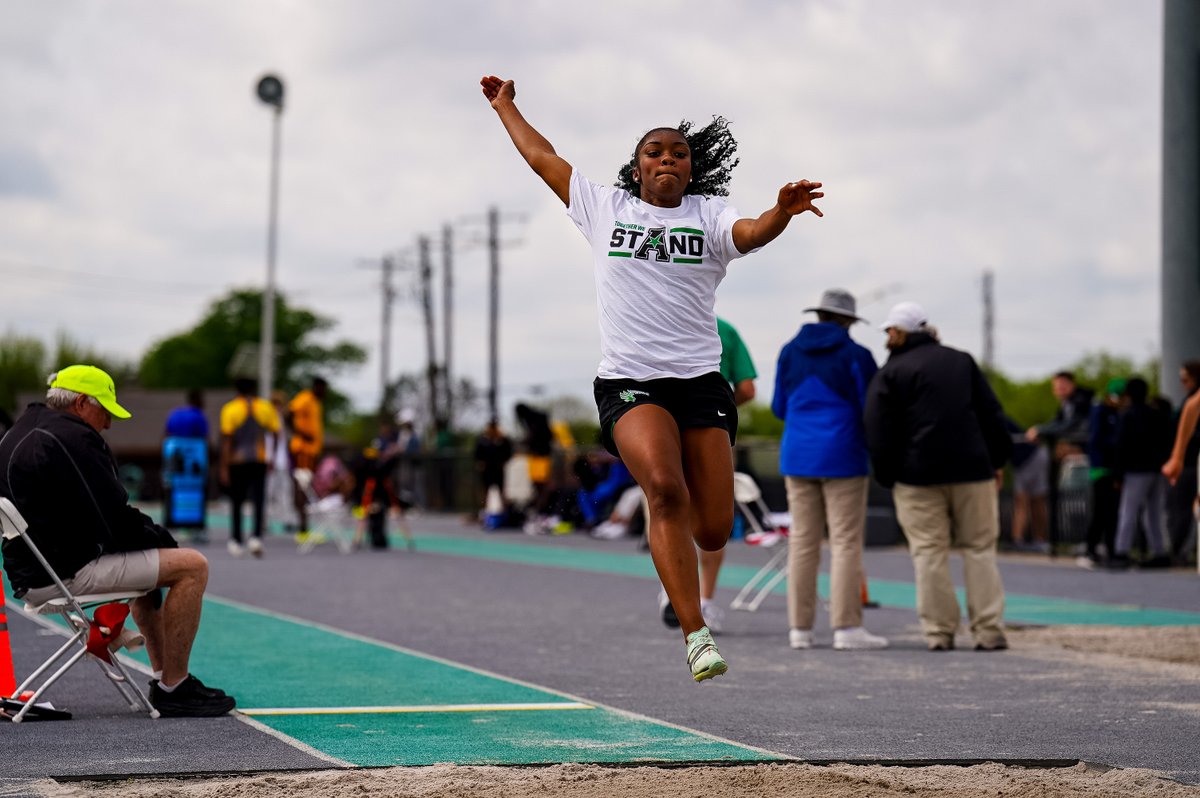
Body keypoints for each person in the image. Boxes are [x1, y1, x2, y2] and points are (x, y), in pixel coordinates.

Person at [482, 73, 825, 681]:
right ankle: (696, 631)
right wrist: (507, 107)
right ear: (637, 168)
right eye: (653, 153)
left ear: (691, 169)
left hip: (699, 383)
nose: (666, 159)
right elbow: (542, 158)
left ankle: (683, 555)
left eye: (678, 154)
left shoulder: (711, 214)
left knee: (715, 529)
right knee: (664, 488)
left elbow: (750, 234)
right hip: (630, 382)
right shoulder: (603, 207)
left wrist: (782, 211)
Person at [0, 365, 235, 716]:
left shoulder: (19, 431)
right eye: (105, 412)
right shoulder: (72, 438)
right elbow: (116, 518)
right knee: (191, 566)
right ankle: (175, 685)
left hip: (30, 572)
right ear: (81, 402)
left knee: (149, 560)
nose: (109, 423)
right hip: (63, 573)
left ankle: (165, 680)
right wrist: (167, 544)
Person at [864, 303, 1012, 652]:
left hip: (916, 477)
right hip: (972, 470)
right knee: (979, 549)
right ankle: (989, 630)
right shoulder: (961, 361)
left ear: (901, 333)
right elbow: (991, 414)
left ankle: (939, 632)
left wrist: (887, 474)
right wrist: (997, 461)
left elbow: (877, 428)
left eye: (889, 331)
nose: (887, 337)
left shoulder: (891, 372)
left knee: (929, 552)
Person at [772, 288, 887, 651]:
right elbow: (870, 408)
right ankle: (846, 628)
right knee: (845, 542)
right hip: (843, 454)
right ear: (848, 321)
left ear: (819, 316)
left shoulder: (789, 351)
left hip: (797, 455)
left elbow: (779, 406)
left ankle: (799, 630)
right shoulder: (857, 354)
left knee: (803, 543)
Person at [1109, 377, 1172, 569]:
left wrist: (1117, 474)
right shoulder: (1157, 415)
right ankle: (1159, 551)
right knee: (1154, 512)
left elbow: (1121, 446)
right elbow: (1167, 440)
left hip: (1136, 470)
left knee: (1128, 511)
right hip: (1157, 469)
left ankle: (1122, 551)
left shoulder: (1128, 416)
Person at [218, 376, 280, 558]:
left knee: (237, 501)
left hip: (237, 461)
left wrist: (223, 466)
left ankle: (236, 540)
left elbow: (227, 440)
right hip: (259, 459)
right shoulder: (265, 407)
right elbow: (276, 433)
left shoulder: (230, 409)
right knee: (259, 500)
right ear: (254, 388)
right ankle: (256, 538)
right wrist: (273, 456)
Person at [1078, 379, 1125, 568]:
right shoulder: (1101, 412)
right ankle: (1091, 549)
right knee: (1102, 511)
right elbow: (1097, 441)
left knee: (1111, 512)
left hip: (1111, 469)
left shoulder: (1115, 414)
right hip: (1102, 470)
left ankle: (1107, 548)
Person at [1163, 361, 1200, 564]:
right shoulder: (1192, 399)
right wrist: (1177, 456)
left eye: (1185, 379)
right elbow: (1193, 406)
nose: (1182, 383)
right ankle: (1179, 549)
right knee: (1182, 507)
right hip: (1192, 461)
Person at [162, 389, 210, 544]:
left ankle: (172, 525)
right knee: (197, 492)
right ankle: (196, 527)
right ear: (198, 401)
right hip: (194, 460)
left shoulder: (174, 414)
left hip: (175, 459)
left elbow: (166, 434)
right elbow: (205, 438)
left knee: (173, 490)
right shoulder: (199, 416)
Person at [288, 377, 329, 537]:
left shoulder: (316, 403)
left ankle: (305, 527)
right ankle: (303, 528)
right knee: (302, 485)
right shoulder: (304, 398)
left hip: (311, 452)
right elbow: (289, 413)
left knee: (308, 487)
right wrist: (302, 433)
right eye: (323, 389)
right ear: (317, 387)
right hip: (302, 451)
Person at [474, 418, 514, 519]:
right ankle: (483, 511)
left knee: (502, 491)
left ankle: (504, 512)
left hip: (498, 469)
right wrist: (480, 463)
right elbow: (477, 454)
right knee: (485, 491)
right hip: (487, 470)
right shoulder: (483, 440)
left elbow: (508, 452)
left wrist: (504, 462)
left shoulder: (502, 440)